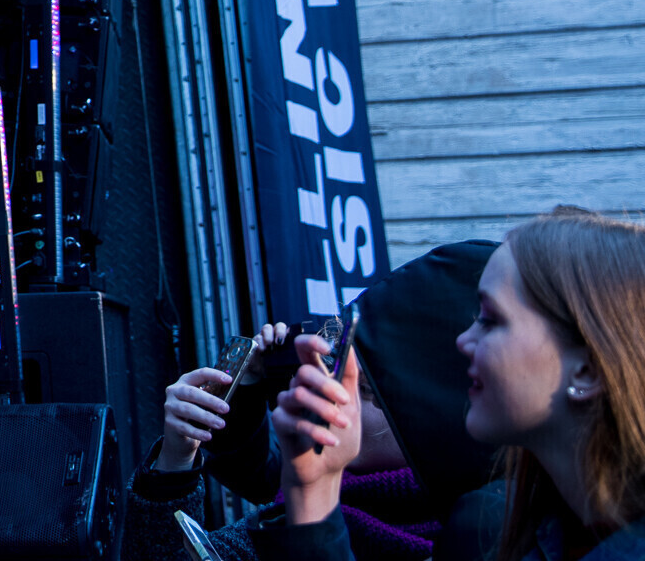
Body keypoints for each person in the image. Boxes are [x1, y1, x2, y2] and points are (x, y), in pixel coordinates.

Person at [265, 207, 645, 561]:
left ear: (587, 371)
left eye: (491, 320)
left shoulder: (490, 528)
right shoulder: (525, 527)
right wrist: (313, 489)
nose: (463, 341)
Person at [125, 240, 505, 561]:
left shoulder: (452, 541)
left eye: (365, 390)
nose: (330, 393)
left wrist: (312, 498)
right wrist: (177, 460)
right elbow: (261, 476)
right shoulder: (349, 487)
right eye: (337, 368)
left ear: (428, 432)